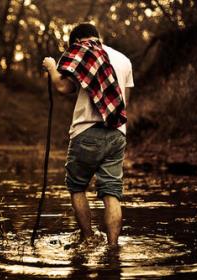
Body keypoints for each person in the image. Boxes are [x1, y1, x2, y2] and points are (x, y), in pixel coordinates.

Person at [42, 23, 134, 247]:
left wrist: (52, 67)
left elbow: (63, 87)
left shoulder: (82, 53)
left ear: (76, 41)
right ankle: (113, 247)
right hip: (117, 134)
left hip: (86, 130)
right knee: (112, 193)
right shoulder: (124, 60)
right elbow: (124, 104)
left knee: (77, 187)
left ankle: (88, 239)